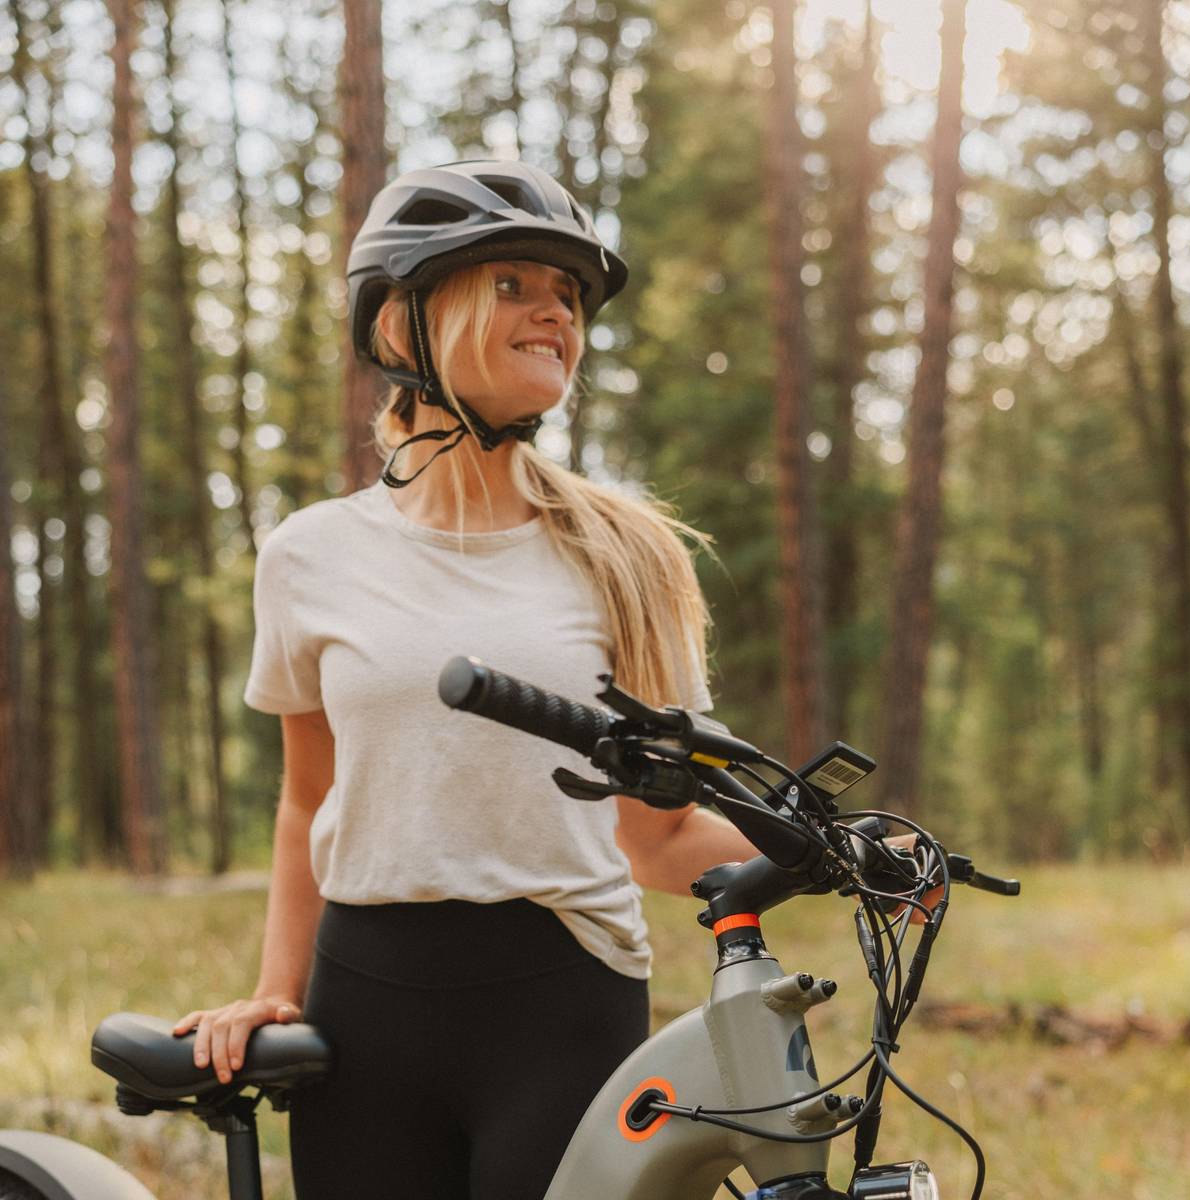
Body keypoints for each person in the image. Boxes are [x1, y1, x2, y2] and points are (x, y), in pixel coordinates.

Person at [172, 160, 766, 1200]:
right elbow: (310, 797)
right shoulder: (309, 556)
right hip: (362, 1007)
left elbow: (660, 838)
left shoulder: (630, 556)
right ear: (404, 323)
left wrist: (833, 844)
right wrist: (276, 989)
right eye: (513, 285)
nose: (555, 315)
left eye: (568, 296)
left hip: (564, 1005)